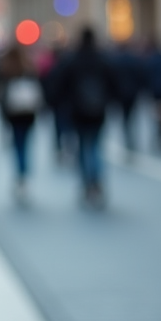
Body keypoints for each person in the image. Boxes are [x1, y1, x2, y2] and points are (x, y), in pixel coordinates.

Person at [54, 27, 118, 207]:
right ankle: (96, 180)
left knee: (83, 146)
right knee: (96, 145)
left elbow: (61, 83)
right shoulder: (102, 59)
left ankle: (86, 182)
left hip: (78, 110)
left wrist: (61, 102)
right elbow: (113, 82)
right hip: (98, 109)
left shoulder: (73, 59)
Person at [0, 44, 43, 202]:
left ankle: (20, 175)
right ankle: (24, 173)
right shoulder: (28, 67)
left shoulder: (5, 69)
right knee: (26, 144)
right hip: (27, 113)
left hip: (13, 113)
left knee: (17, 144)